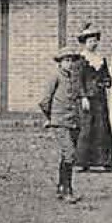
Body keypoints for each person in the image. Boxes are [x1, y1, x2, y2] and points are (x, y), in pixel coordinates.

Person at [38, 45, 87, 203]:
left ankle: (61, 187)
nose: (70, 64)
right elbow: (44, 101)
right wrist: (50, 118)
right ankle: (68, 190)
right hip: (60, 122)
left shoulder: (73, 78)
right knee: (70, 153)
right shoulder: (56, 77)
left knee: (67, 155)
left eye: (72, 61)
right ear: (59, 63)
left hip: (73, 121)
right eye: (66, 60)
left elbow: (78, 96)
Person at [74, 25, 112, 172]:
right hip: (87, 99)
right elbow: (78, 80)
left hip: (100, 98)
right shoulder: (80, 60)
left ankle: (105, 161)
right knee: (87, 129)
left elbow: (107, 77)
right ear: (84, 43)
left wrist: (106, 82)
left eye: (95, 41)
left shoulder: (101, 59)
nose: (93, 43)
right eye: (90, 41)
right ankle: (83, 162)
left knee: (102, 128)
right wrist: (83, 97)